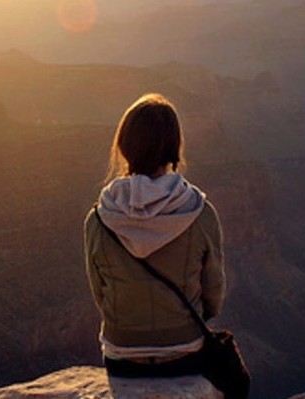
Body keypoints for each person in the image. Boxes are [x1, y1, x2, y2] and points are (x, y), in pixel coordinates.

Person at [83, 93, 226, 378]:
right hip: (184, 350)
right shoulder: (200, 213)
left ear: (124, 146)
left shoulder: (98, 219)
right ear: (173, 146)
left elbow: (99, 293)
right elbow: (214, 294)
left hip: (121, 354)